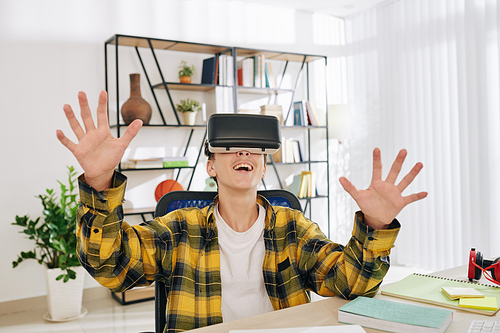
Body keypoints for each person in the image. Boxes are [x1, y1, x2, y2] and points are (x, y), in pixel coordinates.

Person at [57, 91, 427, 332]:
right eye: (231, 147)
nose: (244, 154)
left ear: (265, 167)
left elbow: (351, 286)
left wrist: (376, 225)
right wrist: (100, 184)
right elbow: (109, 266)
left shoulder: (293, 228)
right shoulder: (178, 229)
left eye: (255, 150)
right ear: (211, 166)